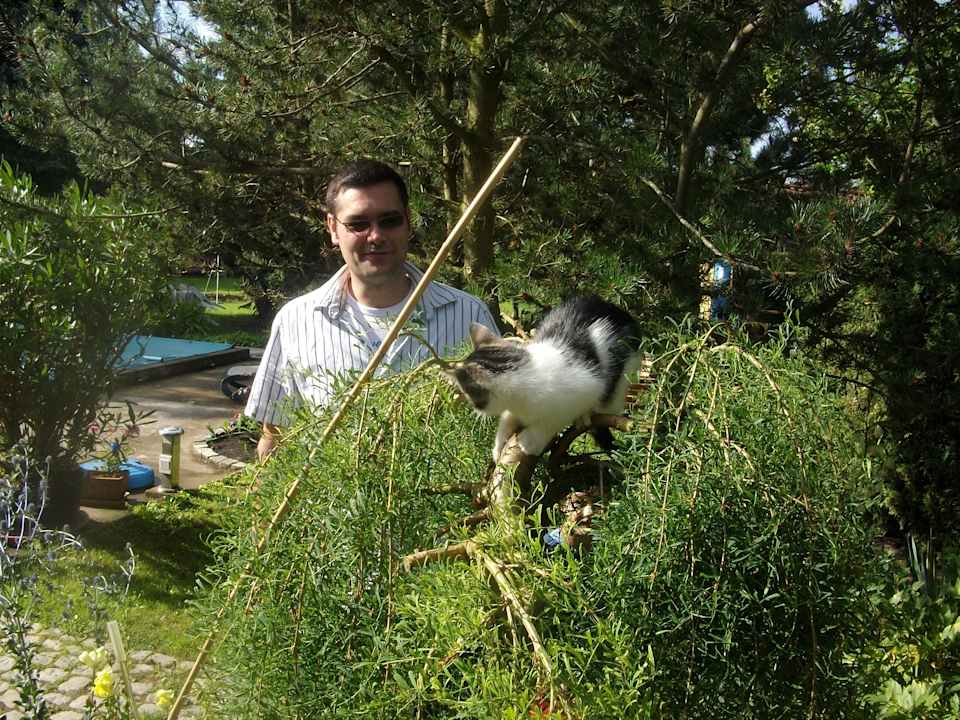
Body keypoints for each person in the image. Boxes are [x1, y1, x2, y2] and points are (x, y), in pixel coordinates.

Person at [244, 159, 501, 460]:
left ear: (407, 221)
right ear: (333, 228)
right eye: (358, 224)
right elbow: (275, 437)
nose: (376, 236)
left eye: (389, 220)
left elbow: (502, 422)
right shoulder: (295, 321)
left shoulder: (468, 316)